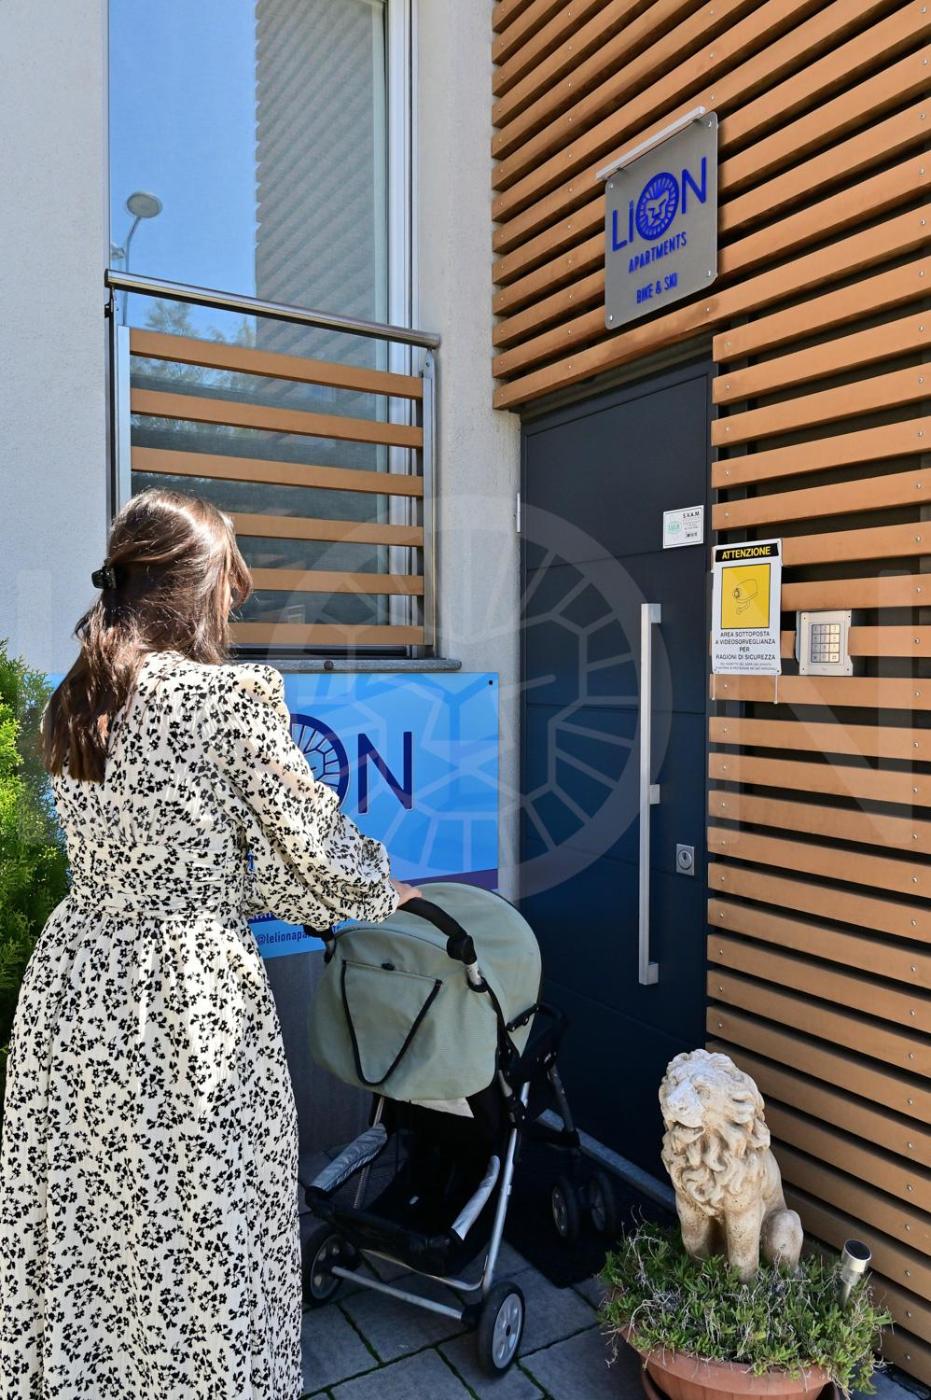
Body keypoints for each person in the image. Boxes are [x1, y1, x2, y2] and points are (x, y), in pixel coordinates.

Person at [0, 488, 420, 1400]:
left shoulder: (79, 694)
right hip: (182, 1003)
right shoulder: (227, 700)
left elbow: (191, 866)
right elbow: (320, 854)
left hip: (75, 989)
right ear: (192, 587)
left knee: (91, 1235)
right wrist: (384, 889)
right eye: (229, 584)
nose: (231, 604)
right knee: (202, 1240)